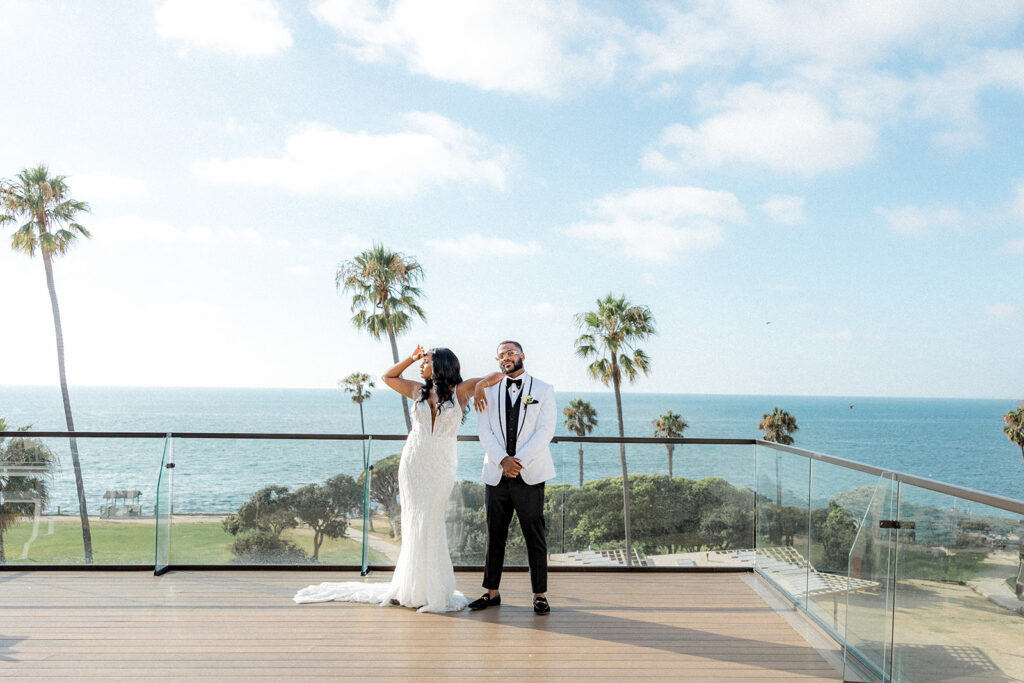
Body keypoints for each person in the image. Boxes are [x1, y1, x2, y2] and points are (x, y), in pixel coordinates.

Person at [294, 345, 500, 613]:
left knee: (430, 521)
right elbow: (388, 377)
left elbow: (497, 374)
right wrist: (410, 358)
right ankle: (411, 588)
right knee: (414, 522)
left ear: (440, 365)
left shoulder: (460, 392)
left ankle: (432, 589)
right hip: (413, 463)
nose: (421, 366)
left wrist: (482, 386)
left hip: (441, 467)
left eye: (425, 361)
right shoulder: (417, 390)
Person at [469, 340, 557, 615]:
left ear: (522, 355)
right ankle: (491, 592)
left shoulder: (543, 389)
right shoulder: (487, 390)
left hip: (529, 473)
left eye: (510, 353)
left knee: (535, 536)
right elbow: (485, 431)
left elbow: (545, 432)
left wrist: (517, 462)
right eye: (501, 355)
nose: (505, 358)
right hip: (497, 473)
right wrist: (502, 461)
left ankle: (539, 595)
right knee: (494, 534)